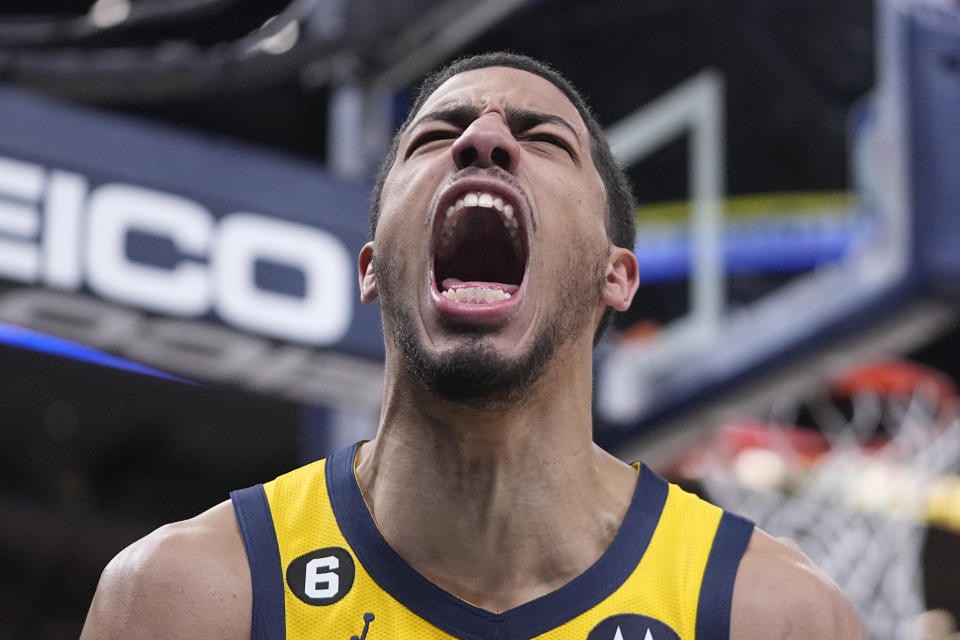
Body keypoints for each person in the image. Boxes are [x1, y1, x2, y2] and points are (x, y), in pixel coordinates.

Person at [80, 52, 864, 640]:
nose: (484, 138)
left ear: (615, 277)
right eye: (436, 133)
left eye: (545, 139)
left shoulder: (774, 615)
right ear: (372, 269)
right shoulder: (188, 597)